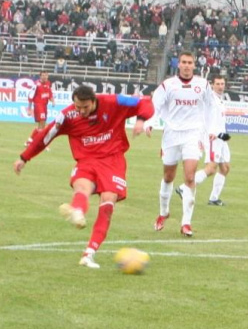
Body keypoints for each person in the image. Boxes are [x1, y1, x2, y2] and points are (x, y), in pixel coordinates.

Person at [13, 86, 154, 269]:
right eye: (77, 107)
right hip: (86, 160)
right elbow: (46, 135)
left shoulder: (113, 102)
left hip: (112, 160)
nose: (81, 111)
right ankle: (77, 211)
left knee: (108, 201)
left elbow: (145, 103)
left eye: (85, 107)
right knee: (82, 188)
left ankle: (89, 254)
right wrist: (25, 157)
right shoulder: (68, 115)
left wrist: (140, 120)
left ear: (94, 101)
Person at [146, 51, 217, 237]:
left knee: (190, 176)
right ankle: (163, 213)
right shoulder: (168, 85)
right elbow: (156, 105)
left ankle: (186, 223)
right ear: (179, 65)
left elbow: (211, 107)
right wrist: (150, 122)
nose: (186, 65)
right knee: (169, 176)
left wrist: (211, 129)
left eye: (190, 62)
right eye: (184, 62)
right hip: (171, 135)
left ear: (195, 65)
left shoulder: (203, 85)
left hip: (193, 135)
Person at [176, 75, 231, 206]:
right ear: (212, 85)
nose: (220, 86)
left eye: (222, 84)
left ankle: (214, 198)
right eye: (217, 83)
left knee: (225, 168)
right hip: (213, 137)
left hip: (222, 138)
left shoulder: (220, 100)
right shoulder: (210, 98)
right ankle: (184, 188)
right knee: (211, 168)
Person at [26, 71, 55, 147]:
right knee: (42, 123)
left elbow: (49, 93)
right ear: (40, 76)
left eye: (46, 75)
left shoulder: (48, 83)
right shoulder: (36, 85)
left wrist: (53, 101)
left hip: (45, 106)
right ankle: (41, 143)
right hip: (38, 105)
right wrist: (29, 108)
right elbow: (30, 96)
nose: (45, 77)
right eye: (43, 75)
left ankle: (30, 141)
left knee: (42, 125)